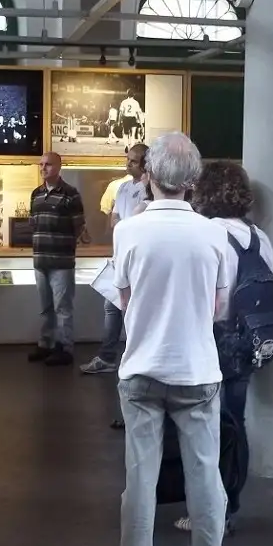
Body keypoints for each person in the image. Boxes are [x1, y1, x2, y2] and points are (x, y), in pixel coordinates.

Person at [105, 132, 231, 546]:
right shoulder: (214, 233)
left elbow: (124, 300)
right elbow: (220, 308)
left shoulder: (128, 231)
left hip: (141, 369)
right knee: (205, 477)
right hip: (197, 371)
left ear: (149, 175)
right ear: (193, 180)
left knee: (140, 480)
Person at [167, 160, 273, 532]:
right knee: (235, 424)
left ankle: (209, 511)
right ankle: (229, 506)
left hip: (211, 341)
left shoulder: (205, 234)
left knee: (205, 430)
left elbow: (198, 295)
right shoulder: (258, 236)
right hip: (247, 342)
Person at [80, 143, 149, 375]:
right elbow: (114, 221)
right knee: (111, 306)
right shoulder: (122, 188)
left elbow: (137, 225)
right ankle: (107, 357)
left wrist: (126, 226)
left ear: (144, 164)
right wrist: (125, 227)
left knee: (135, 310)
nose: (128, 164)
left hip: (139, 260)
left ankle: (135, 359)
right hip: (120, 258)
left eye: (133, 161)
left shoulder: (150, 190)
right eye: (128, 160)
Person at [28, 152, 86, 367]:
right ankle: (45, 344)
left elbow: (78, 226)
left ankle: (64, 347)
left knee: (63, 308)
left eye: (48, 164)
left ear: (59, 167)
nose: (43, 168)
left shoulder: (71, 194)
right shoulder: (36, 194)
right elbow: (33, 223)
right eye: (41, 164)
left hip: (61, 262)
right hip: (40, 260)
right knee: (45, 307)